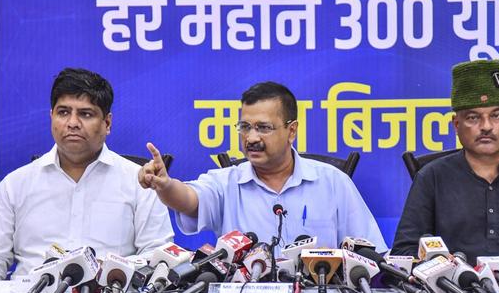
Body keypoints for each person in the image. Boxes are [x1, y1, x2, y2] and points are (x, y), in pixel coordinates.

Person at [139, 81, 388, 254]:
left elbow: (370, 252)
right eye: (245, 127)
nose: (251, 138)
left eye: (263, 127)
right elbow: (189, 199)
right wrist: (166, 185)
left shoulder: (333, 182)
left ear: (292, 131)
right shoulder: (226, 183)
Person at [0, 68, 174, 280]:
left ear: (107, 123)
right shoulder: (14, 185)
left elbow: (159, 259)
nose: (72, 123)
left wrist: (112, 269)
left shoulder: (139, 182)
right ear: (51, 117)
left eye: (85, 114)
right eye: (63, 112)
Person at [391, 60, 499, 267]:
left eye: (496, 115)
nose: (486, 127)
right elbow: (404, 251)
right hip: (454, 291)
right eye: (473, 118)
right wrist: (439, 265)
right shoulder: (433, 177)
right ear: (456, 125)